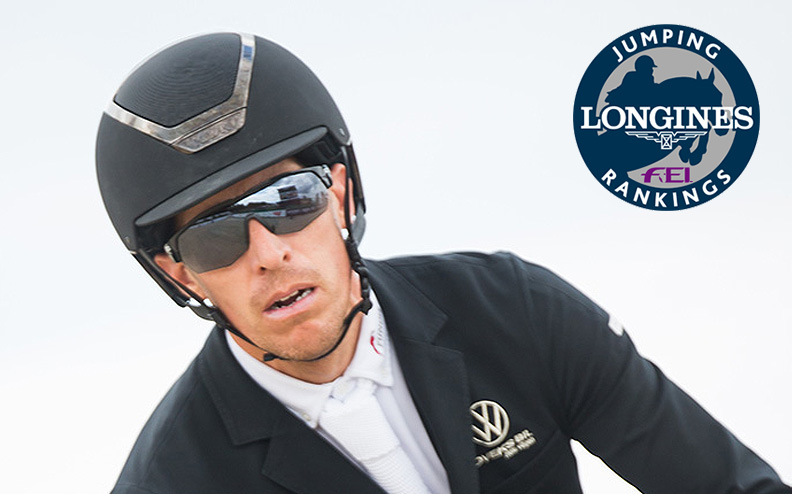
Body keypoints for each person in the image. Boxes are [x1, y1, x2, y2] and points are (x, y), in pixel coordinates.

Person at [97, 32, 790, 494]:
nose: (269, 254)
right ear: (179, 273)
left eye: (289, 200)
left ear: (339, 195)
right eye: (215, 238)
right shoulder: (171, 481)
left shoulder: (514, 310)